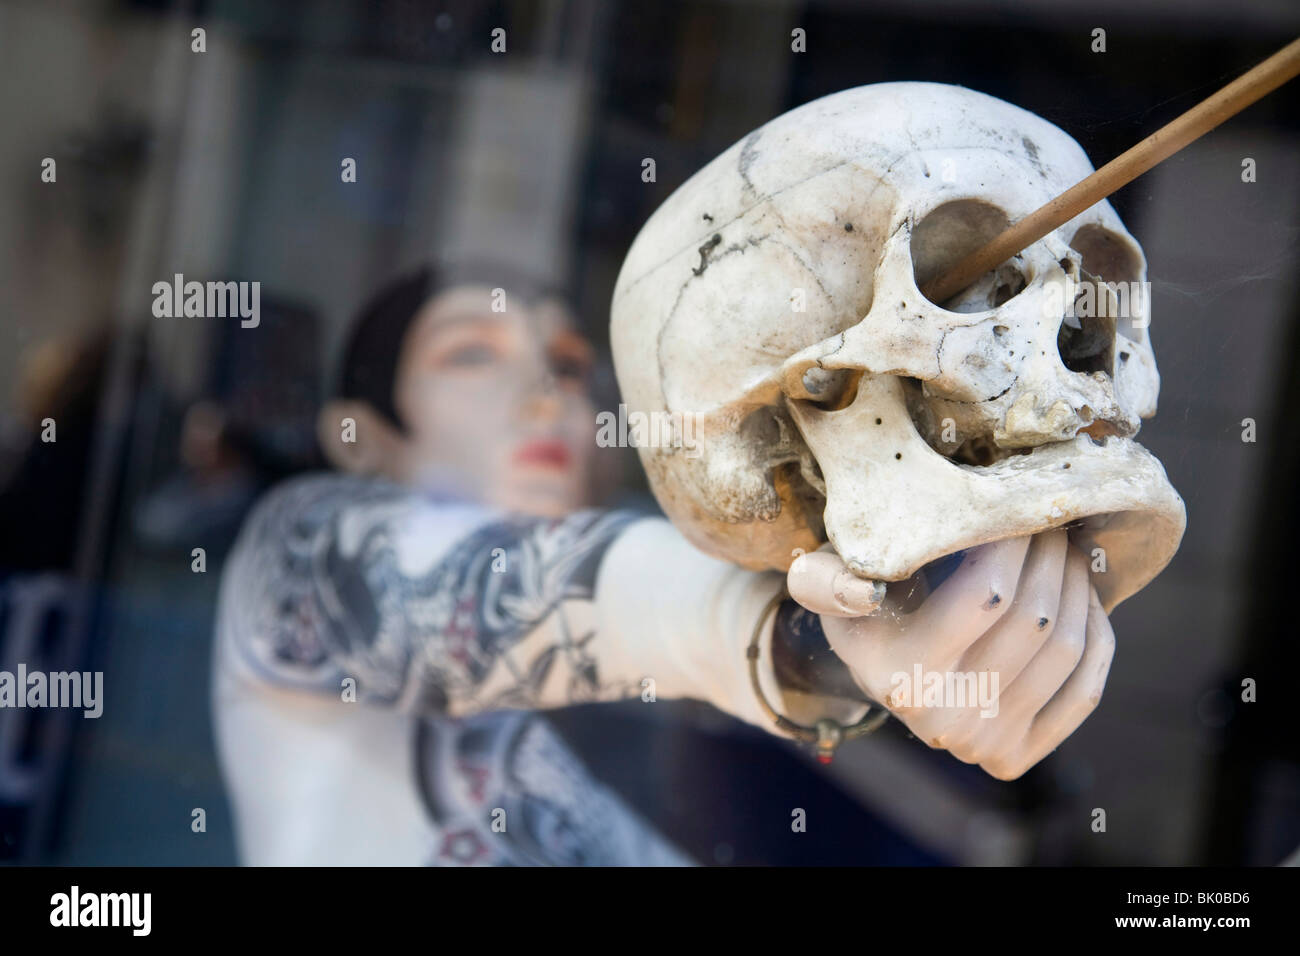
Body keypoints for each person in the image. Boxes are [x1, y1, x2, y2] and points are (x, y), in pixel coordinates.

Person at [211, 261, 1115, 865]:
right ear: (361, 438)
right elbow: (479, 590)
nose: (544, 394)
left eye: (567, 367)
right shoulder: (295, 551)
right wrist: (792, 639)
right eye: (471, 353)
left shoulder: (614, 733)